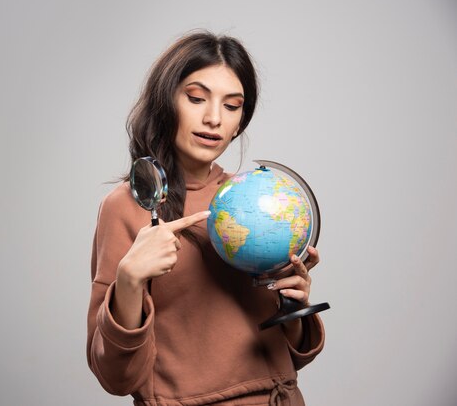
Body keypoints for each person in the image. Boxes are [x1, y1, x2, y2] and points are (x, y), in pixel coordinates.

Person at [86, 31, 325, 406]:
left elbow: (291, 354)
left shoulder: (255, 201)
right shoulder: (127, 207)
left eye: (232, 106)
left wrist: (293, 302)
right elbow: (116, 377)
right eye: (196, 98)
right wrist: (129, 281)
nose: (213, 118)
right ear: (167, 101)